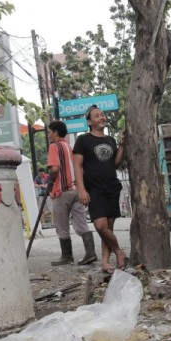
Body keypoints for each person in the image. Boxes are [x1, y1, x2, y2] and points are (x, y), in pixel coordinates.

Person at [73, 106, 127, 274]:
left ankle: (105, 262)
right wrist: (81, 190)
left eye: (102, 115)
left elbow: (116, 163)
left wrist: (122, 146)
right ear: (89, 122)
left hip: (112, 186)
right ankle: (119, 251)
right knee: (100, 225)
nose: (101, 117)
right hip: (94, 189)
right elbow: (77, 165)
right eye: (97, 116)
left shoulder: (110, 140)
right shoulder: (83, 140)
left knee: (108, 227)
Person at [46, 121, 96, 266]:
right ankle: (90, 252)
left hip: (62, 191)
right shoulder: (70, 147)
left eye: (49, 132)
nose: (49, 135)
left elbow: (54, 169)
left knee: (61, 225)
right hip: (76, 190)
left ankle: (67, 256)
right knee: (81, 223)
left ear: (55, 132)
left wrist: (51, 183)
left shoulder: (54, 147)